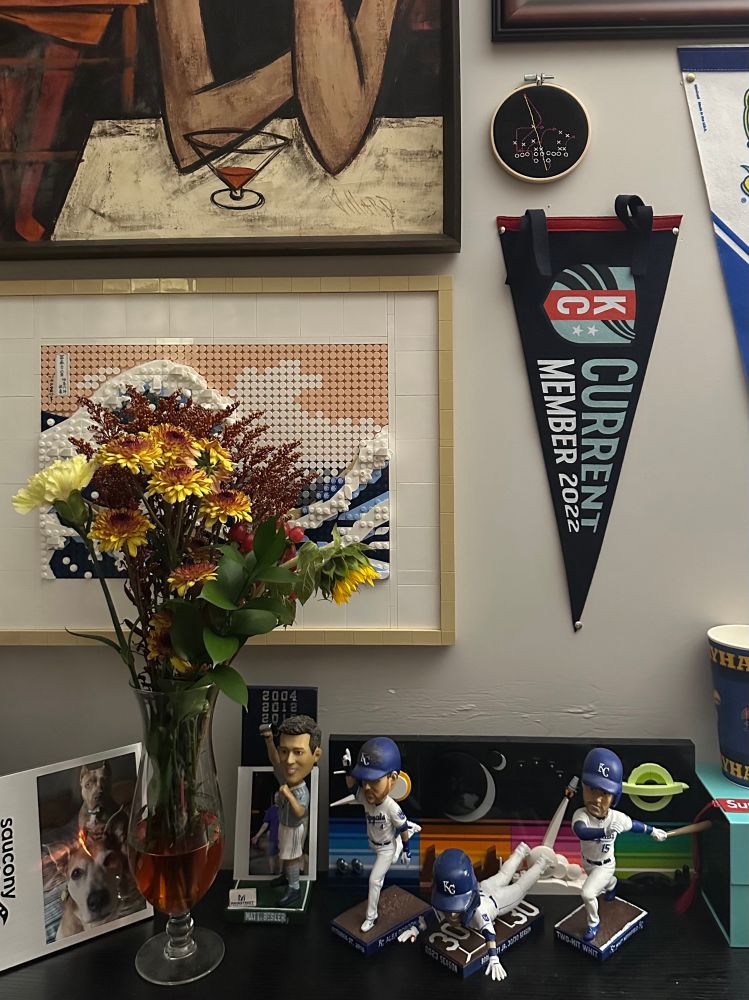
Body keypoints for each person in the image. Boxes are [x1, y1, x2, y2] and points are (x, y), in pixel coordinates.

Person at [151, 0, 400, 175]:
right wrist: (314, 63)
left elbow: (338, 143)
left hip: (346, 194)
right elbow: (189, 131)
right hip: (221, 183)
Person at [572, 748, 667, 942]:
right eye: (592, 789)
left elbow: (635, 825)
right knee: (601, 882)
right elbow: (581, 831)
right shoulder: (581, 815)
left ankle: (593, 923)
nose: (596, 799)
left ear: (615, 796)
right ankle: (612, 884)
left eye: (604, 793)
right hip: (588, 863)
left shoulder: (617, 818)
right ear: (583, 785)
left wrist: (653, 831)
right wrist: (605, 831)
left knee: (588, 893)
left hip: (606, 864)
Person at [419, 845, 552, 983]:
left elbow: (490, 934)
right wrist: (416, 928)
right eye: (448, 906)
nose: (452, 914)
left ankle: (543, 862)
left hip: (498, 900)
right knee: (503, 875)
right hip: (485, 887)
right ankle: (522, 850)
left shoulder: (478, 911)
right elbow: (433, 915)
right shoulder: (448, 903)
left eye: (455, 907)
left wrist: (494, 958)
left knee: (519, 887)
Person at [343, 736, 420, 933]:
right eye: (365, 780)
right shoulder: (367, 797)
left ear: (392, 778)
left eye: (374, 780)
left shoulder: (392, 807)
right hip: (374, 844)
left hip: (386, 846)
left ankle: (371, 917)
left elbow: (400, 828)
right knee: (394, 853)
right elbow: (352, 787)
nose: (367, 786)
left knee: (375, 880)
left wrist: (408, 851)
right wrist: (347, 769)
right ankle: (407, 836)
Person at [261, 715, 322, 907]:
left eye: (298, 752)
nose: (289, 760)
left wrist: (287, 795)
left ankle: (294, 888)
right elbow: (274, 761)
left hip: (294, 827)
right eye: (285, 751)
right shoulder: (286, 778)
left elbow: (300, 812)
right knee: (284, 854)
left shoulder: (300, 790)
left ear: (316, 755)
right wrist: (269, 740)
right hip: (284, 824)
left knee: (292, 856)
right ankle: (287, 877)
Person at [250, 798, 281, 876]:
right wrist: (257, 836)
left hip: (283, 837)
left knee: (281, 855)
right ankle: (272, 873)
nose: (277, 798)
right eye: (276, 797)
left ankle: (280, 873)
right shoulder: (271, 810)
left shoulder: (285, 810)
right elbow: (265, 825)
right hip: (273, 837)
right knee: (271, 855)